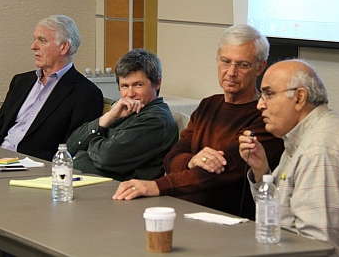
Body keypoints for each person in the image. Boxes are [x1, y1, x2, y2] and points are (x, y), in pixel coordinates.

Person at [113, 24, 284, 220]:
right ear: (217, 60)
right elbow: (172, 158)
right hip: (181, 208)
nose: (231, 72)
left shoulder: (265, 115)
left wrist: (156, 185)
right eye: (226, 61)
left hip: (227, 220)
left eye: (242, 65)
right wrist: (192, 160)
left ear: (260, 67)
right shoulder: (208, 105)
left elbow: (219, 174)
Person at [239, 59, 339, 256]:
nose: (260, 105)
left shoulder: (322, 149)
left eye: (269, 94)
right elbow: (283, 216)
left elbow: (320, 247)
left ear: (299, 98)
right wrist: (261, 171)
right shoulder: (307, 135)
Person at [0, 15, 104, 161]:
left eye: (42, 40)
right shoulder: (21, 82)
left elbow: (73, 149)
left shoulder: (86, 93)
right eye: (35, 39)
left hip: (34, 168)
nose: (33, 46)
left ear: (64, 47)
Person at [66, 48, 178, 181]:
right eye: (125, 86)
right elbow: (70, 146)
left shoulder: (156, 119)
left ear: (157, 83)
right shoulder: (123, 111)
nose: (130, 94)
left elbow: (106, 157)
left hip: (120, 194)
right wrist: (109, 117)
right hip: (87, 183)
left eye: (138, 85)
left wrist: (86, 148)